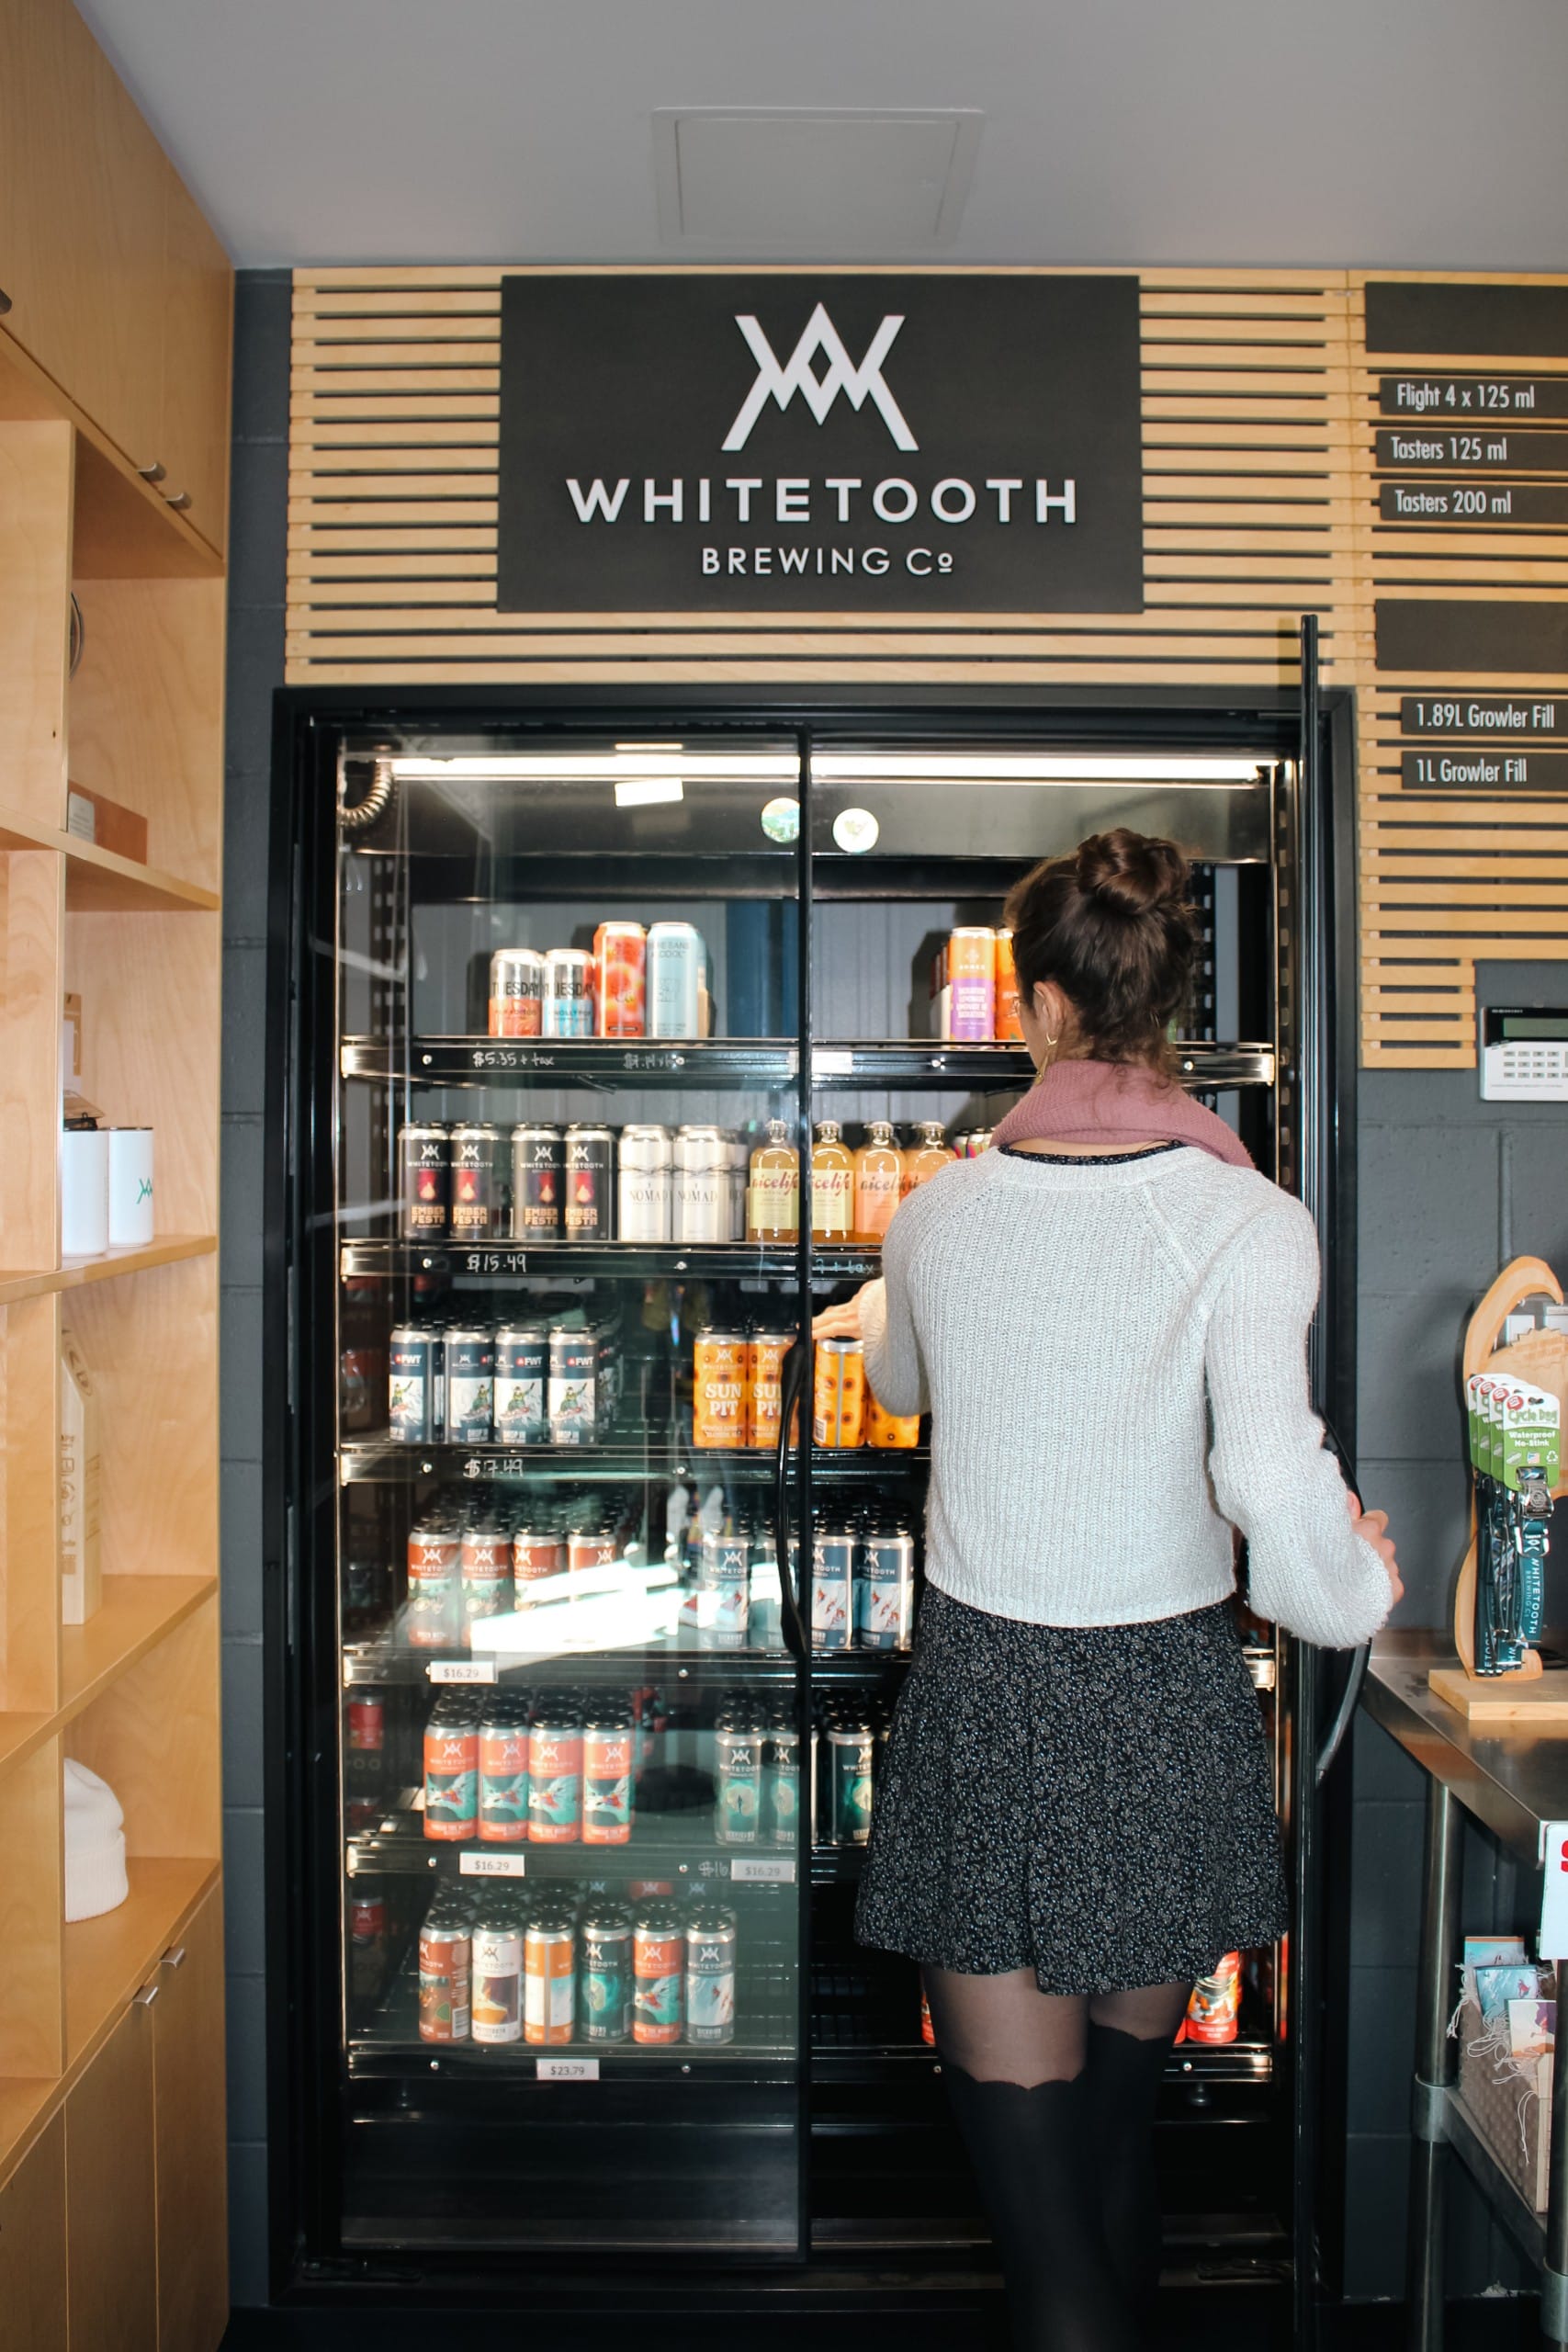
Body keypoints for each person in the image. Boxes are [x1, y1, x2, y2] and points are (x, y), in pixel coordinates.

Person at [812, 828, 1400, 2352]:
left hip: (993, 1699)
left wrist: (890, 1303)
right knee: (1117, 2143)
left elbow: (901, 1384)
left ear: (1038, 1005)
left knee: (1036, 2205)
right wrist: (1356, 1583)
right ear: (1170, 1000)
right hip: (1164, 1704)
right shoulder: (1251, 1220)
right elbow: (1271, 1481)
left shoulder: (938, 1214)